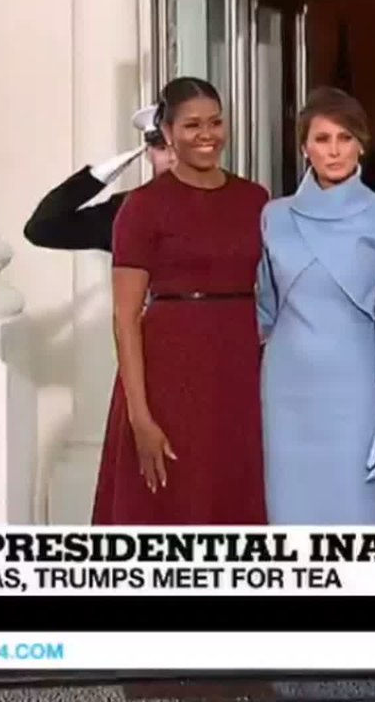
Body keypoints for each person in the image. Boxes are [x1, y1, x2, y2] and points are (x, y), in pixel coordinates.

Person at [91, 77, 269, 525]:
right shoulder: (142, 207)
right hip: (168, 373)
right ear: (168, 133)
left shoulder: (255, 200)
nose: (207, 134)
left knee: (232, 491)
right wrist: (140, 417)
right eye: (192, 125)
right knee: (170, 500)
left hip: (238, 369)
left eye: (215, 122)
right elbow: (125, 317)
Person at [257, 88, 375, 524]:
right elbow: (264, 309)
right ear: (304, 147)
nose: (335, 150)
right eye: (322, 139)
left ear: (362, 144)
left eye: (345, 138)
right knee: (289, 518)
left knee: (355, 517)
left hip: (357, 388)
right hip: (286, 388)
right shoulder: (274, 216)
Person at [23, 106, 175, 252]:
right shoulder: (128, 210)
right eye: (162, 148)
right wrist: (99, 174)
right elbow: (41, 229)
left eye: (181, 148)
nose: (172, 158)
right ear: (148, 153)